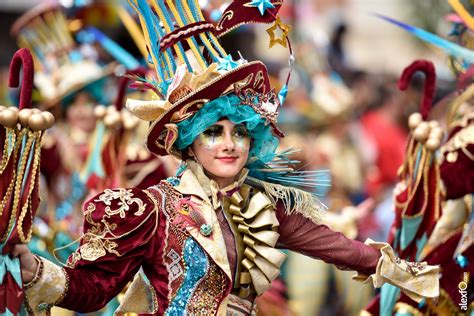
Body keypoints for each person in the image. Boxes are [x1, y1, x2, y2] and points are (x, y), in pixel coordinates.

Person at [9, 0, 439, 314]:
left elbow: (338, 248)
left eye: (239, 132)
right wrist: (33, 270)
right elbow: (92, 288)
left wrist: (416, 274)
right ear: (189, 142)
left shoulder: (260, 204)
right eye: (213, 132)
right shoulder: (149, 210)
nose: (228, 144)